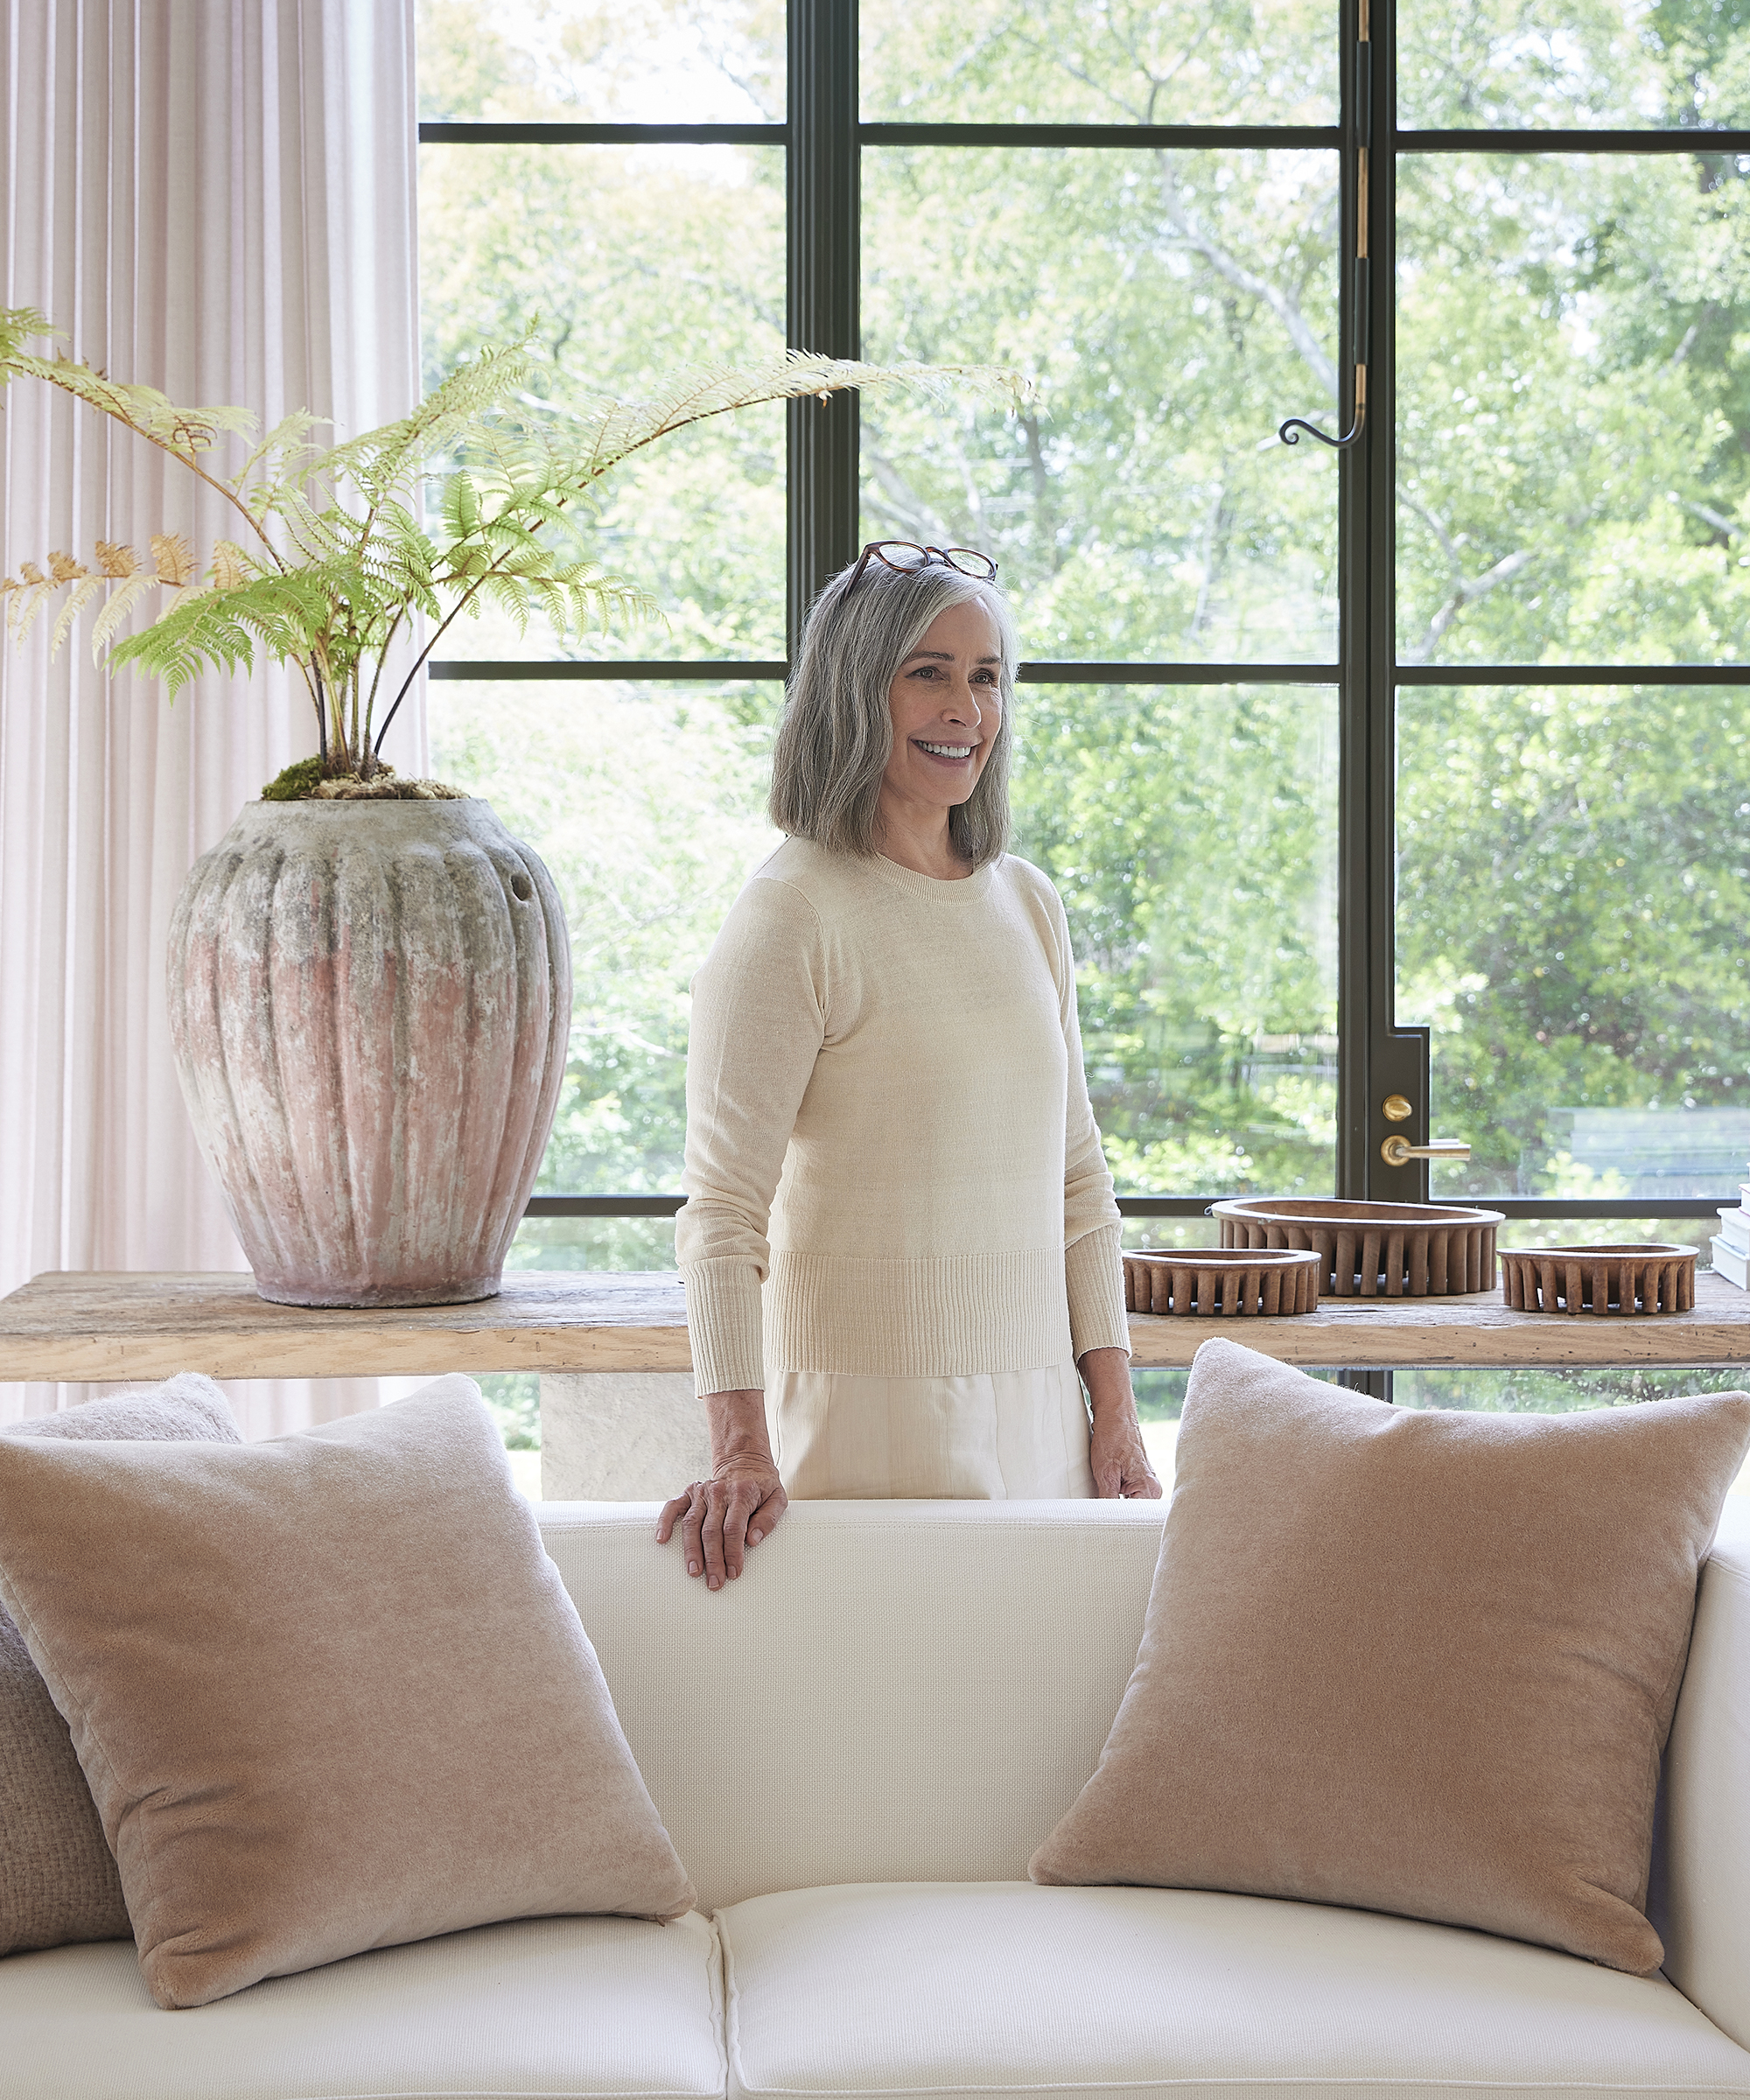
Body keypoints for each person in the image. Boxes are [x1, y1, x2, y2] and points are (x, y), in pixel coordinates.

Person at [657, 542, 1160, 1590]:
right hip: (861, 1429)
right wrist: (738, 1449)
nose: (964, 709)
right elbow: (721, 1212)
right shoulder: (790, 913)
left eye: (985, 677)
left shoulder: (1026, 904)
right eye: (925, 672)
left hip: (1038, 1426)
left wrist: (1113, 1414)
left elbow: (1077, 1185)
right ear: (854, 690)